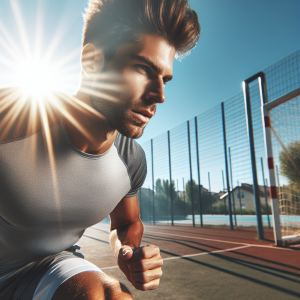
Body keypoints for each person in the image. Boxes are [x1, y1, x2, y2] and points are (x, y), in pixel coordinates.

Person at [0, 0, 200, 299]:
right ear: (92, 60)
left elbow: (127, 222)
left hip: (46, 267)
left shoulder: (131, 161)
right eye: (143, 68)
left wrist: (127, 250)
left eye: (165, 79)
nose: (159, 94)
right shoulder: (15, 115)